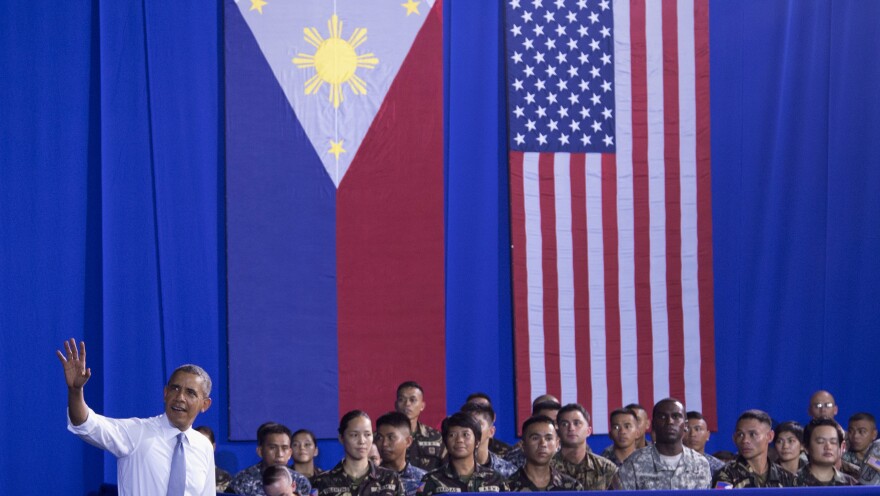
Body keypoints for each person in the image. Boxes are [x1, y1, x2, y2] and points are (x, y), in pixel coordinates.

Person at [58, 338, 215, 496]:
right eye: (175, 388)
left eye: (190, 393)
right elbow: (87, 424)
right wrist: (75, 391)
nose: (180, 397)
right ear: (165, 393)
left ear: (205, 404)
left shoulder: (204, 446)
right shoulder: (137, 432)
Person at [614, 398, 711, 490]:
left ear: (685, 425)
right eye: (662, 417)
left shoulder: (700, 464)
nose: (670, 421)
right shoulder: (634, 464)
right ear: (654, 425)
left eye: (676, 416)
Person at [312, 410, 404, 496]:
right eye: (354, 435)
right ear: (341, 438)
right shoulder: (323, 481)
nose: (362, 441)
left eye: (367, 434)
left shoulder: (390, 479)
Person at [417, 412, 509, 495]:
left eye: (466, 435)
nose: (459, 440)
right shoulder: (432, 480)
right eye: (452, 435)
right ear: (445, 443)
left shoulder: (496, 479)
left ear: (477, 442)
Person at [711, 409, 798, 488]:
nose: (745, 440)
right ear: (734, 438)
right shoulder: (726, 475)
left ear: (770, 436)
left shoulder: (786, 477)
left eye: (752, 434)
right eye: (740, 435)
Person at [229, 422, 312, 496]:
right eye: (272, 448)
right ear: (260, 451)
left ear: (290, 453)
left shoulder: (300, 482)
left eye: (284, 448)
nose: (279, 454)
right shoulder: (241, 482)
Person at [507, 415, 583, 491]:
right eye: (535, 438)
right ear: (523, 445)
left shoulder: (572, 487)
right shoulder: (507, 487)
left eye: (548, 438)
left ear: (557, 444)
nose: (543, 444)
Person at [552, 403, 618, 490]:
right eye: (565, 424)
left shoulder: (606, 468)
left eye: (577, 423)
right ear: (558, 431)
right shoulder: (548, 467)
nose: (571, 428)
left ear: (588, 431)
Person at [396, 381, 445, 471]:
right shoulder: (383, 437)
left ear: (422, 406)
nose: (407, 404)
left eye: (413, 400)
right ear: (396, 405)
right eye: (402, 399)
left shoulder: (436, 438)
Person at [375, 412, 427, 496]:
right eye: (379, 437)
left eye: (391, 437)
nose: (384, 443)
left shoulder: (424, 479)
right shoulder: (369, 479)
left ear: (408, 441)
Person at [460, 402, 517, 477]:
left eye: (478, 424)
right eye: (468, 424)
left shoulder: (508, 472)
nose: (471, 429)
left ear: (491, 432)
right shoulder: (447, 471)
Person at [799, 418, 859, 486]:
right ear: (806, 448)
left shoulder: (851, 484)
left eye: (833, 442)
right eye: (820, 442)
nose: (828, 447)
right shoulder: (791, 482)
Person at [504, 399, 563, 468]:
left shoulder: (570, 454)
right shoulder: (514, 458)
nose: (554, 427)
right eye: (546, 421)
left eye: (556, 422)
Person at [465, 392, 512, 457]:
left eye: (479, 423)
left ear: (493, 417)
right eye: (472, 408)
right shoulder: (453, 450)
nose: (474, 427)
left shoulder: (507, 453)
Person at [683, 411, 725, 475]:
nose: (692, 434)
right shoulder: (668, 464)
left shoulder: (719, 468)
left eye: (698, 429)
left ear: (707, 435)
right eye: (687, 429)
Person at [194, 425, 234, 492]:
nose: (200, 449)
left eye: (205, 445)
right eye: (197, 444)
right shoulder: (183, 474)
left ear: (213, 447)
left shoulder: (224, 478)